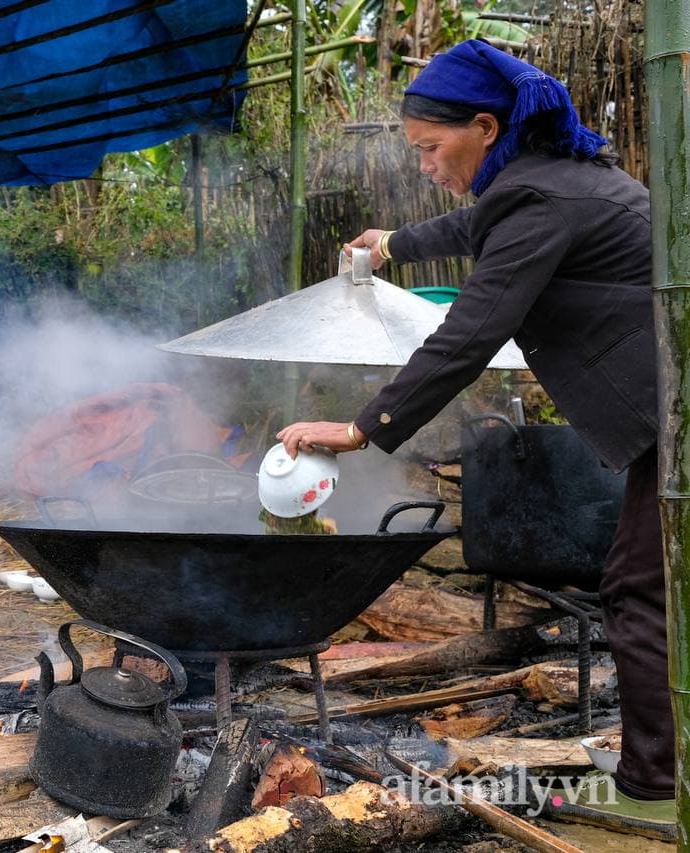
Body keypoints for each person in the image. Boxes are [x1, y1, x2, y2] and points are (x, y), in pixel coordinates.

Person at [276, 40, 669, 829]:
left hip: (675, 421)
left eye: (430, 148)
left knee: (638, 588)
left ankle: (657, 790)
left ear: (485, 128)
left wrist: (359, 429)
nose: (422, 165)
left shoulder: (537, 201)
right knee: (656, 585)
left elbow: (469, 333)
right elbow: (476, 223)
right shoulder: (556, 180)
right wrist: (392, 245)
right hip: (672, 418)